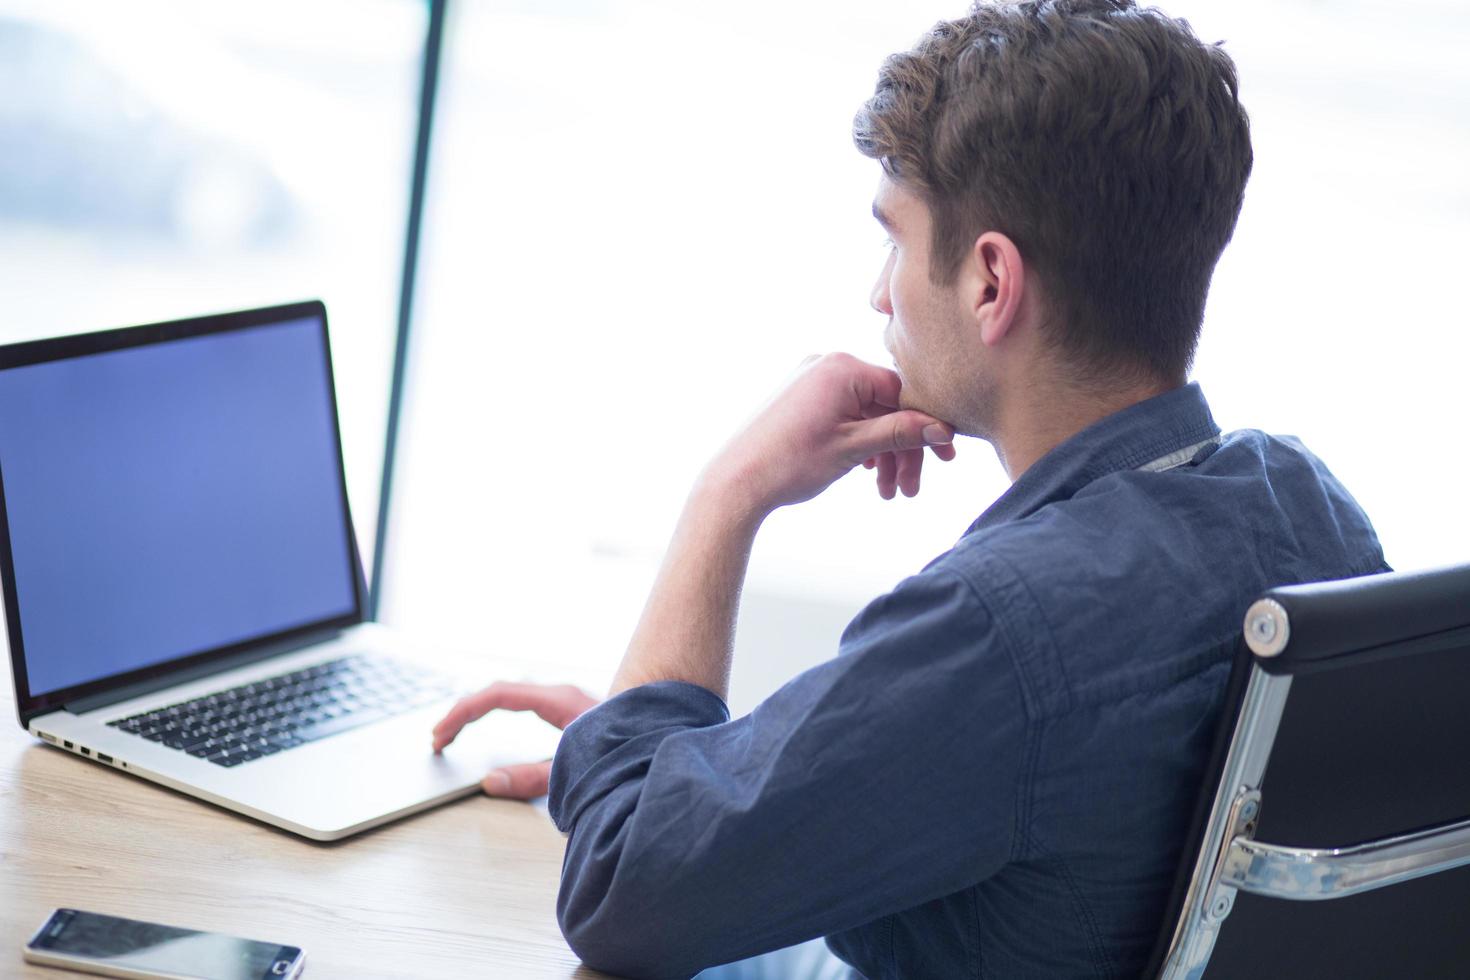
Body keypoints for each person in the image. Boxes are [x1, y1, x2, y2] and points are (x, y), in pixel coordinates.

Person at [431, 1, 1388, 977]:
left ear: (990, 283)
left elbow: (620, 886)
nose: (880, 292)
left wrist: (731, 489)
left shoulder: (1000, 630)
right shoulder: (1310, 505)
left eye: (894, 237)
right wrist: (705, 778)